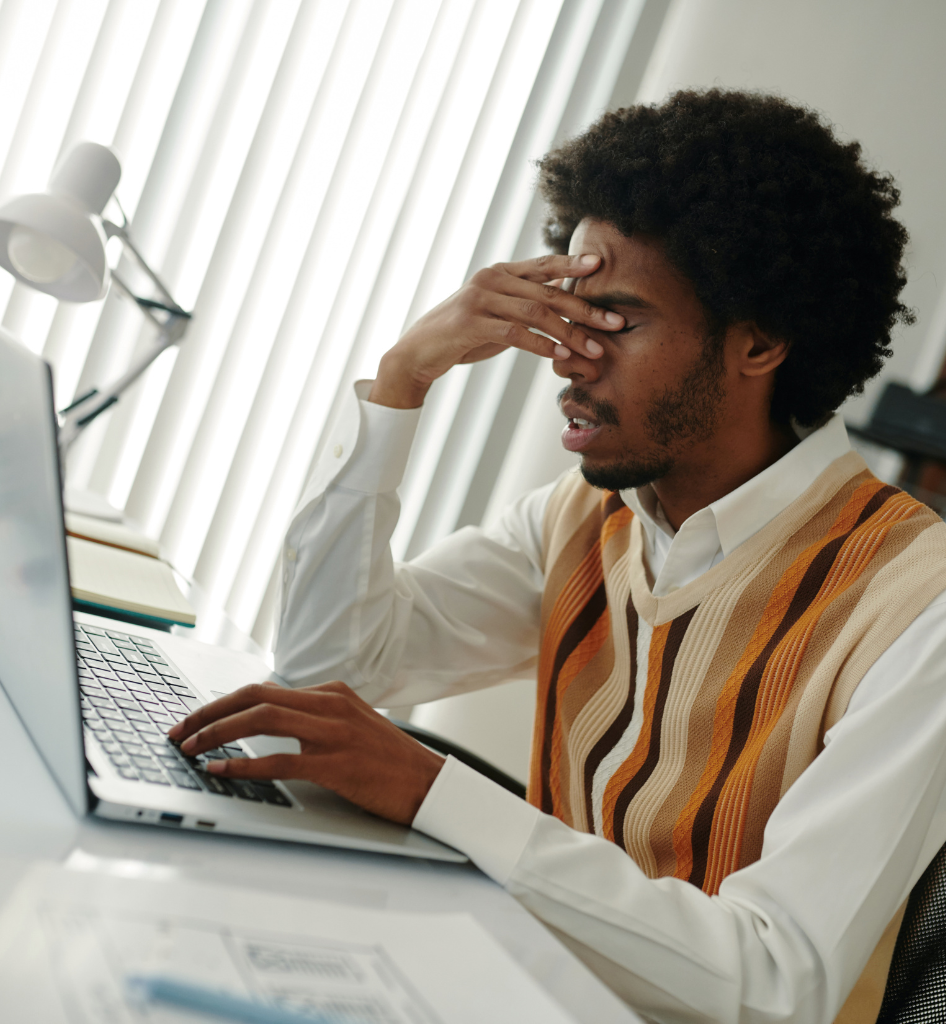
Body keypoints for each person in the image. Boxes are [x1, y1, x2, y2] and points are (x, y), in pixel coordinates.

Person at [169, 90, 946, 1024]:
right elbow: (329, 668)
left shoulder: (918, 604)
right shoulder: (589, 519)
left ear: (761, 342)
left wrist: (429, 790)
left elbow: (773, 985)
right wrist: (403, 378)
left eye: (613, 318)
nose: (567, 357)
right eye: (562, 313)